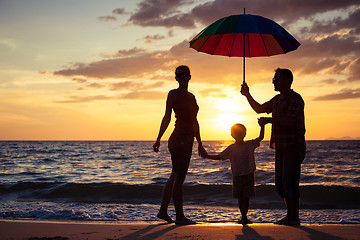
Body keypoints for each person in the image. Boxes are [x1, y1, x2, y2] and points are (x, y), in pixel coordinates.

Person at [240, 68, 306, 226]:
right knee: (280, 184)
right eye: (273, 79)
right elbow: (259, 109)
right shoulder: (276, 100)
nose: (273, 82)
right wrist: (247, 94)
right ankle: (290, 216)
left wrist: (269, 121)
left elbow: (290, 120)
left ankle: (293, 217)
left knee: (290, 181)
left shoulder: (296, 98)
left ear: (287, 81)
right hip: (280, 146)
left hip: (294, 145)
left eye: (276, 79)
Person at [153, 65, 206, 225]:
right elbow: (167, 117)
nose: (182, 78)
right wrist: (158, 138)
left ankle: (163, 211)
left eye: (185, 75)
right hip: (178, 138)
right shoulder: (173, 94)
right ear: (175, 78)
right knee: (179, 177)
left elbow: (195, 121)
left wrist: (200, 143)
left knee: (175, 175)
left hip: (189, 139)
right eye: (179, 75)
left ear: (190, 77)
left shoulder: (192, 97)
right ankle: (180, 216)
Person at [201, 120, 266, 225]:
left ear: (245, 134)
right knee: (240, 198)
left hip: (249, 175)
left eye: (240, 132)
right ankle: (243, 216)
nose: (238, 135)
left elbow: (261, 137)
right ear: (232, 134)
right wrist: (207, 155)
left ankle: (244, 216)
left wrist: (262, 126)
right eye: (236, 133)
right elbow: (219, 157)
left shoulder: (249, 144)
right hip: (237, 176)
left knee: (246, 197)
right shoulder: (231, 148)